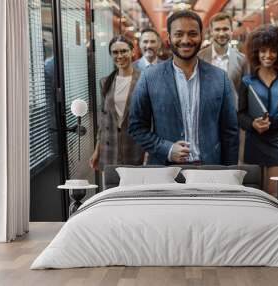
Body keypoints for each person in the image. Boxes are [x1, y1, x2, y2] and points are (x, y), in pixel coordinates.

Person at [128, 10, 239, 165]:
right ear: (169, 38)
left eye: (192, 33)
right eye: (179, 34)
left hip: (209, 171)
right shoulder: (149, 77)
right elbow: (136, 127)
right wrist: (166, 149)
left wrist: (230, 173)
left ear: (201, 36)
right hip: (165, 172)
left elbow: (230, 133)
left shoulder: (220, 78)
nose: (186, 40)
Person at [238, 26, 278, 197]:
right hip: (254, 140)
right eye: (263, 50)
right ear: (256, 52)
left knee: (273, 192)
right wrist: (253, 124)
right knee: (254, 192)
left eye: (273, 51)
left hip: (277, 141)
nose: (268, 55)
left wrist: (273, 123)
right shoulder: (247, 81)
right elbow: (240, 114)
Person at [198, 12, 248, 164]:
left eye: (225, 29)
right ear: (211, 31)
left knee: (231, 161)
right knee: (206, 161)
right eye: (217, 29)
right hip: (204, 119)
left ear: (231, 31)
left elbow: (244, 93)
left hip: (233, 120)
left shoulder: (242, 60)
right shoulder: (199, 57)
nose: (221, 33)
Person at [90, 35, 144, 171]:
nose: (119, 56)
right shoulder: (105, 82)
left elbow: (152, 121)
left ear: (132, 52)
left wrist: (148, 154)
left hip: (135, 149)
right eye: (115, 52)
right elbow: (103, 120)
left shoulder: (144, 80)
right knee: (110, 190)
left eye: (124, 51)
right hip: (109, 150)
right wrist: (97, 150)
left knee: (133, 191)